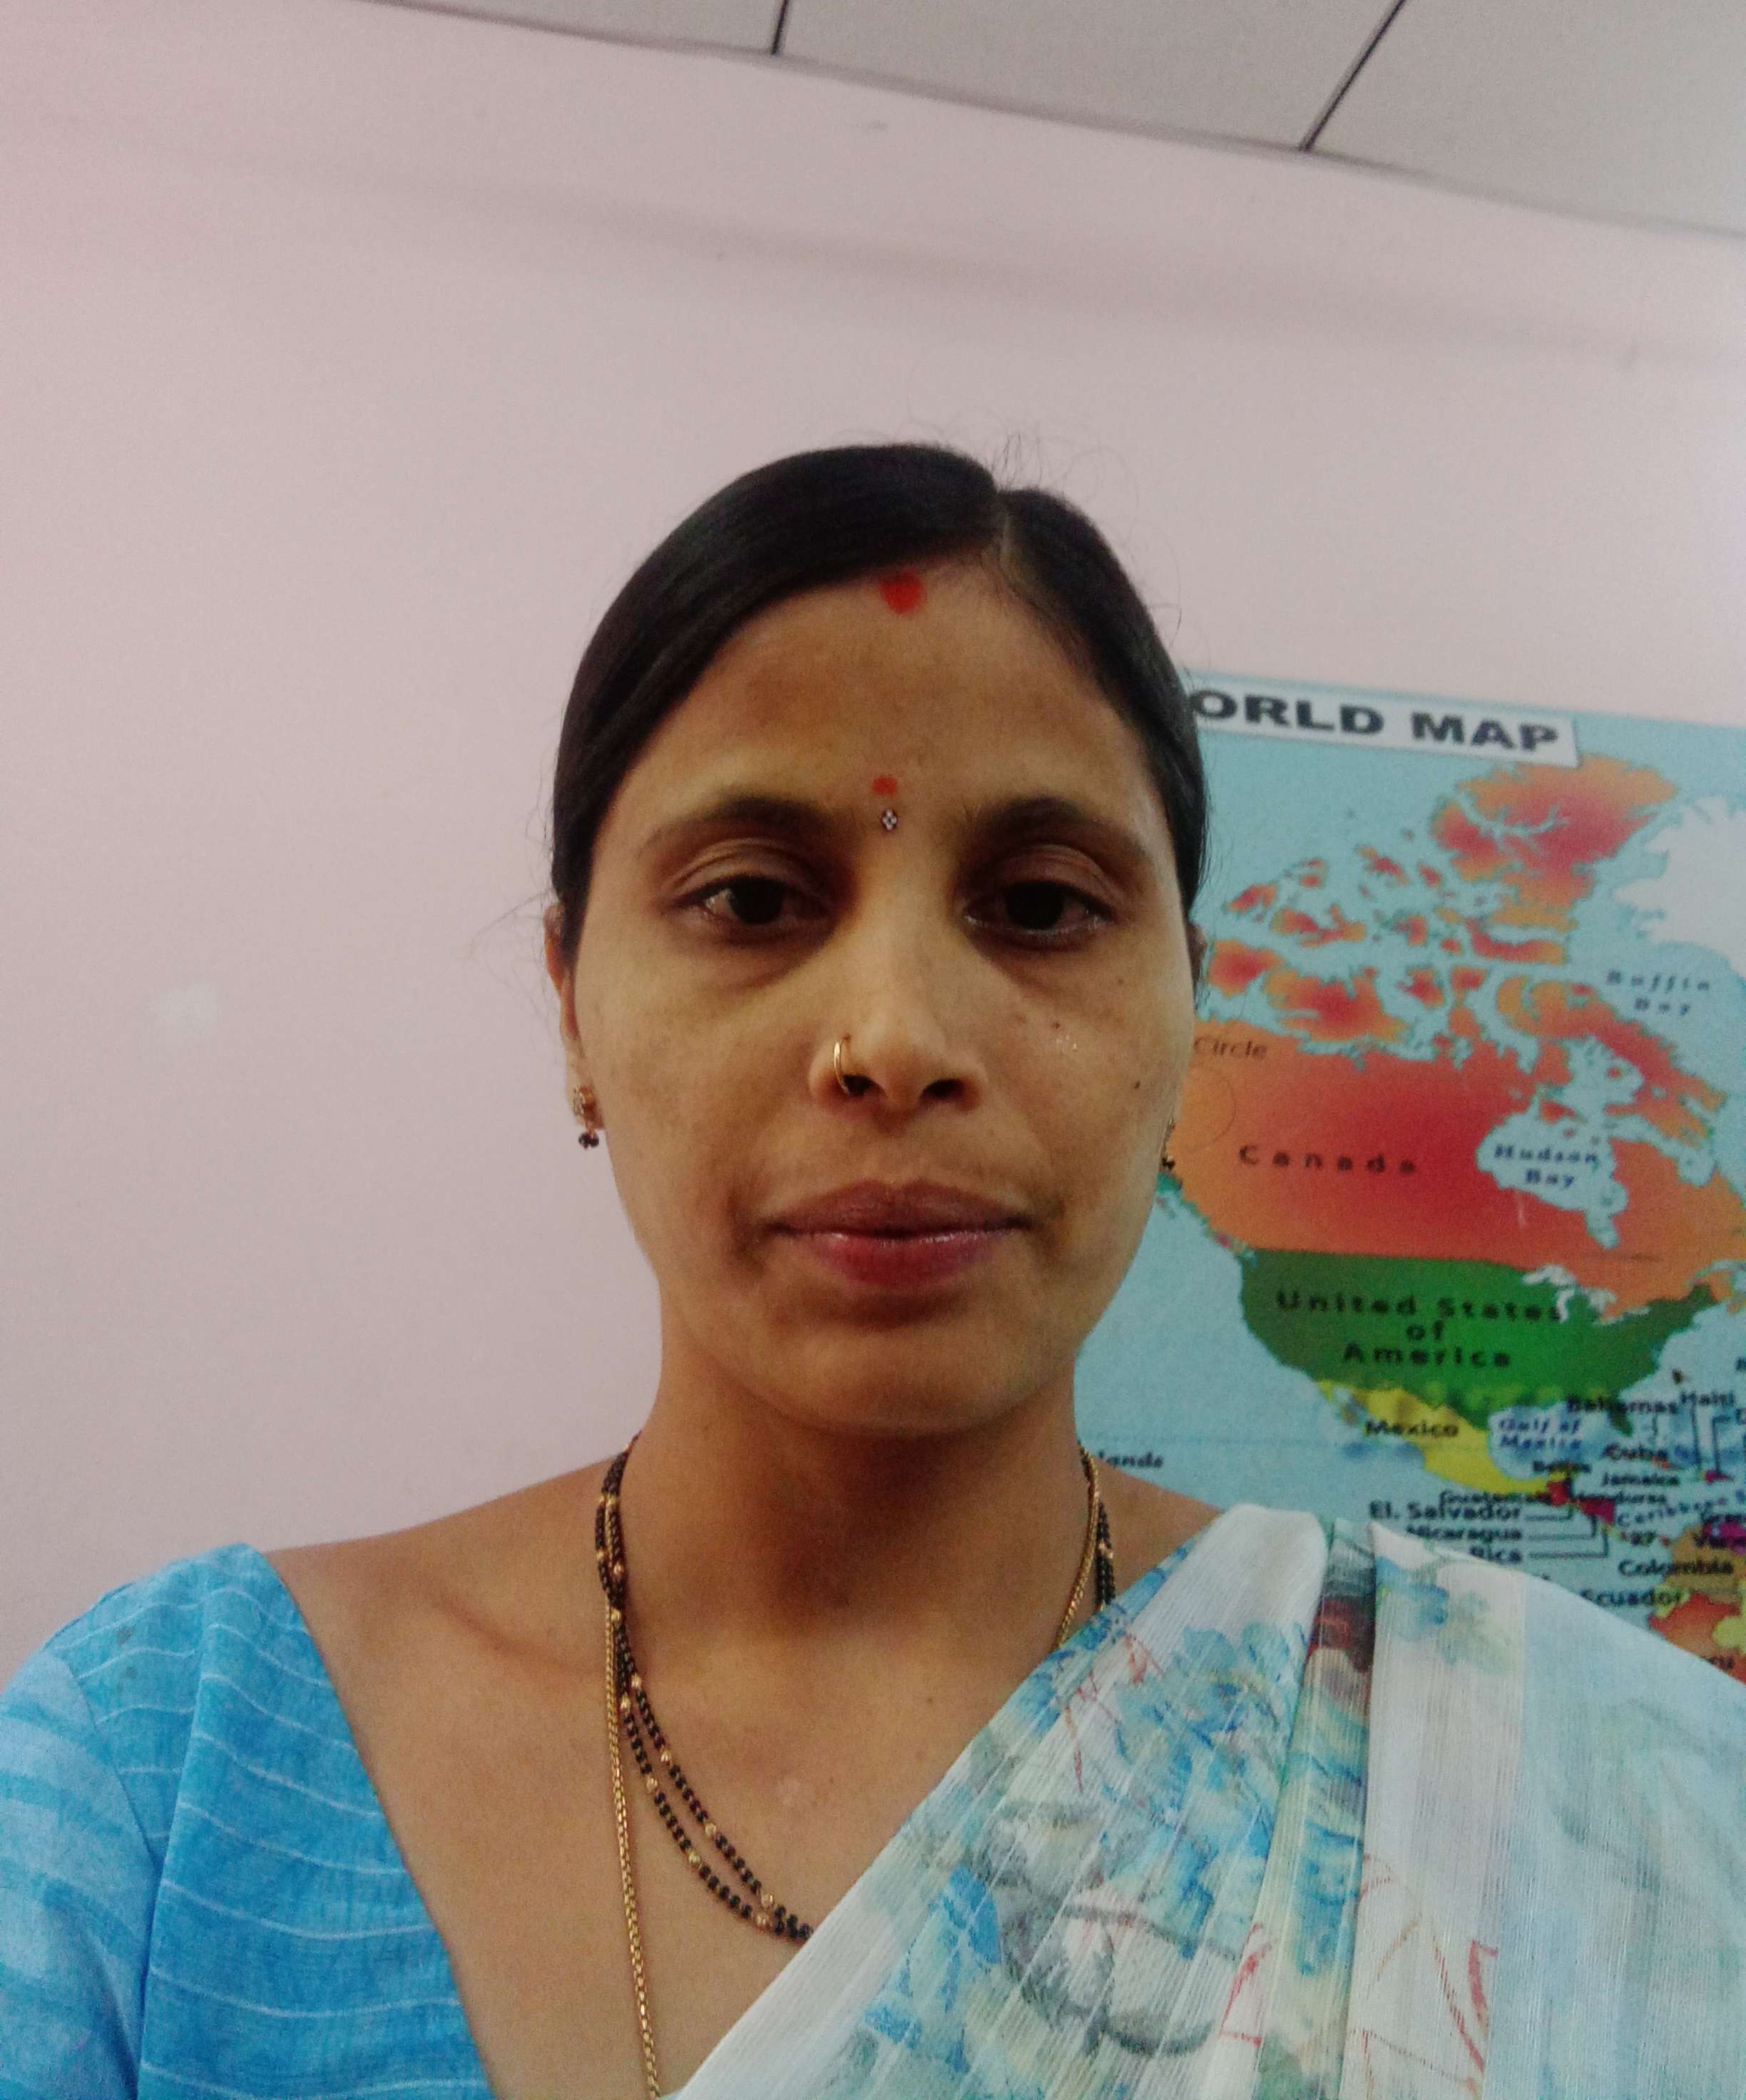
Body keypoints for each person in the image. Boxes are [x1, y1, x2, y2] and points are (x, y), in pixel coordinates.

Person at [2, 441, 1742, 2100]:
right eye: (754, 899)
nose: (895, 1039)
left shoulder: (1589, 1811)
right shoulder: (158, 1786)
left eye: (1042, 905)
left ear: (1189, 1011)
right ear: (572, 1009)